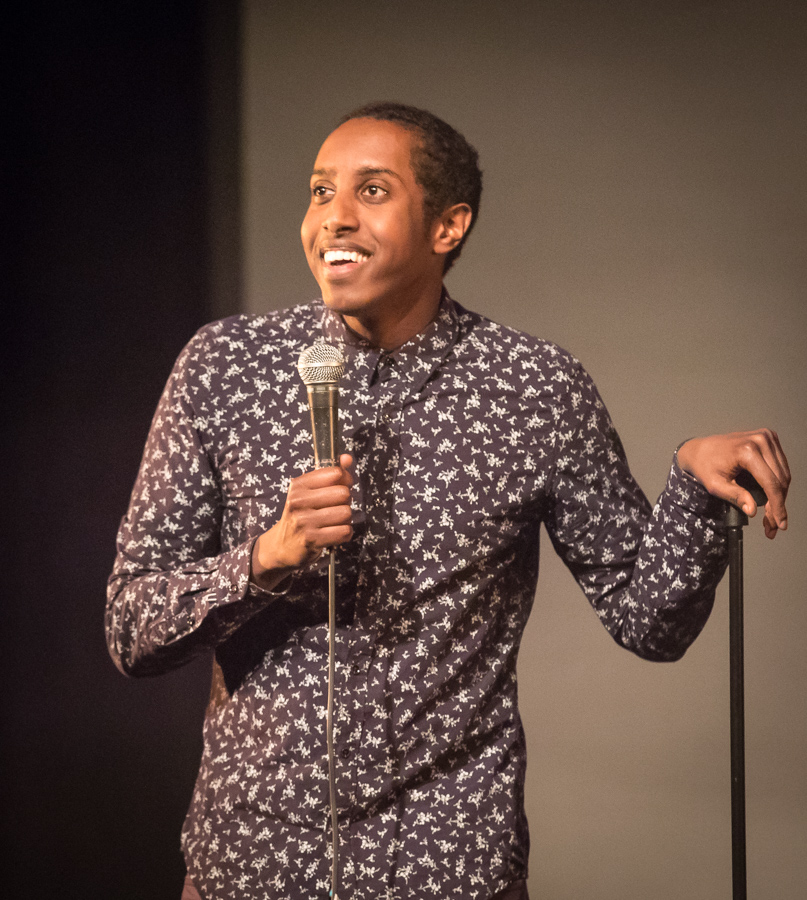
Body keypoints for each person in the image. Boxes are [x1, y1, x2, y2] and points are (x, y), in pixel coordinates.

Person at [106, 102, 790, 900]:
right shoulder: (226, 366)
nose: (334, 216)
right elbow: (131, 628)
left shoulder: (533, 388)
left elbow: (650, 622)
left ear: (447, 226)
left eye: (370, 190)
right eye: (321, 191)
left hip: (449, 867)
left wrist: (690, 484)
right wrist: (266, 558)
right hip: (254, 865)